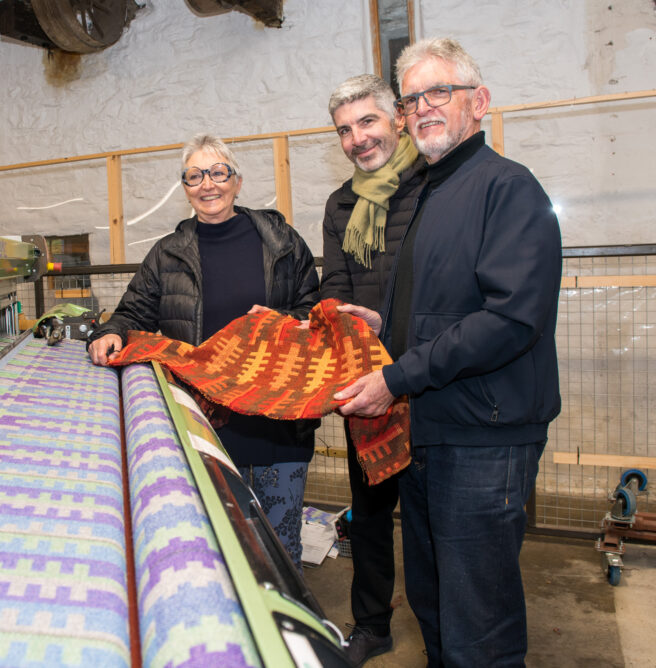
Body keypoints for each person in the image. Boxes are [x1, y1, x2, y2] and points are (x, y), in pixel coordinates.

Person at [333, 38, 562, 667]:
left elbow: (512, 318)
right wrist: (385, 323)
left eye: (440, 92)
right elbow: (446, 306)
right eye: (412, 99)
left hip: (485, 439)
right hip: (434, 433)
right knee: (436, 606)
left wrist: (398, 374)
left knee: (476, 621)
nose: (424, 108)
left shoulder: (507, 188)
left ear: (478, 102)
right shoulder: (434, 193)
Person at [87, 133, 321, 566]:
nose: (207, 184)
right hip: (206, 428)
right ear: (185, 188)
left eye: (218, 172)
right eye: (194, 176)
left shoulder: (281, 241)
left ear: (237, 180)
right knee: (219, 551)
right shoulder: (168, 254)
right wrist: (112, 330)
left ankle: (283, 629)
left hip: (278, 425)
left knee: (280, 549)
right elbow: (133, 311)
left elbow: (313, 310)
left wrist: (278, 324)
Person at [321, 73, 426, 666]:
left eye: (367, 121)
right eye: (344, 129)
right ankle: (371, 623)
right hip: (366, 378)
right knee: (370, 511)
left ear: (398, 119)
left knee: (433, 514)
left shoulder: (433, 184)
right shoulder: (341, 205)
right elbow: (336, 277)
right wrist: (336, 311)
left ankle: (442, 626)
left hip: (429, 373)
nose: (358, 138)